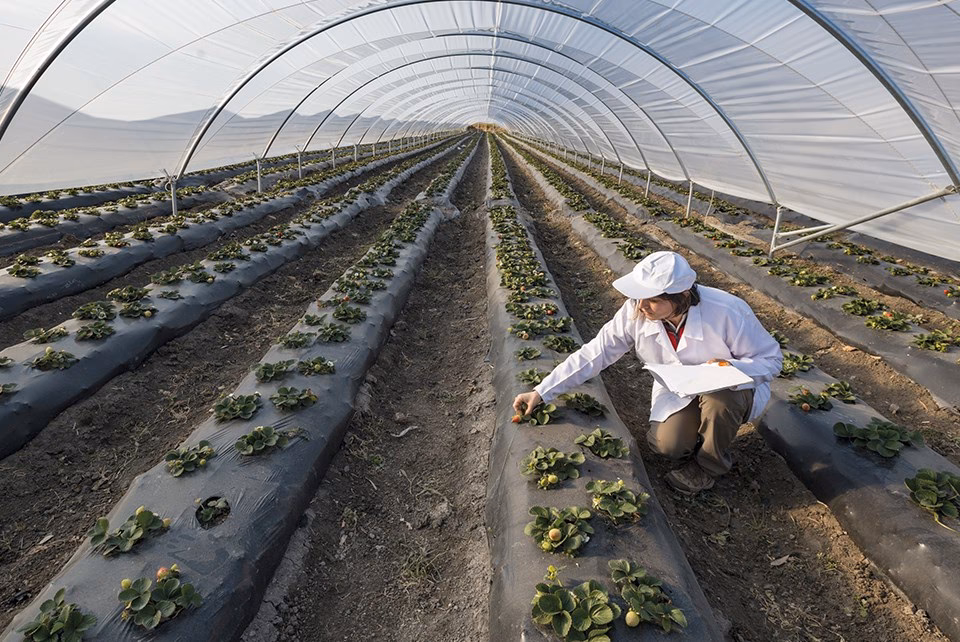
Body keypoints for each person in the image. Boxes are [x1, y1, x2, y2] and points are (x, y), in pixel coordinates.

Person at [513, 251, 782, 495]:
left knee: (720, 400)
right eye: (640, 297)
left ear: (683, 296)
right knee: (668, 446)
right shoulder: (636, 310)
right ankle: (701, 434)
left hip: (730, 391)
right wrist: (542, 391)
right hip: (679, 389)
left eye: (653, 301)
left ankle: (709, 467)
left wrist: (728, 368)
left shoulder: (727, 311)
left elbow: (770, 359)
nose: (642, 306)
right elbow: (596, 351)